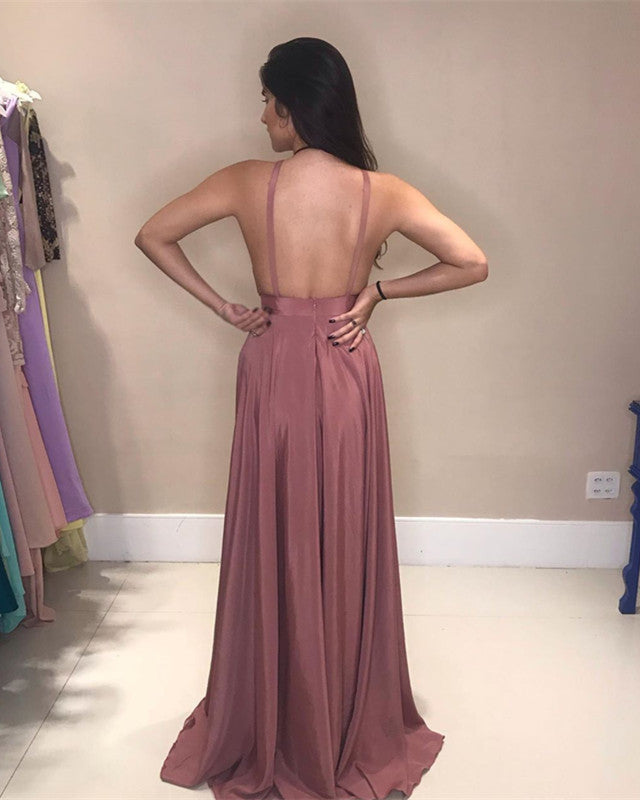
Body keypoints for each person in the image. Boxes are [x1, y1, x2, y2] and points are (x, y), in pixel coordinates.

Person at [135, 36, 487, 800]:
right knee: (341, 532)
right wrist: (377, 294)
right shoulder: (382, 191)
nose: (262, 117)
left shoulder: (245, 181)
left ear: (294, 108)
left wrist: (225, 307)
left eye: (268, 103)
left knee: (274, 533)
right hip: (345, 365)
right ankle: (341, 716)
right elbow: (472, 260)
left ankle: (273, 714)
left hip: (272, 367)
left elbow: (151, 233)